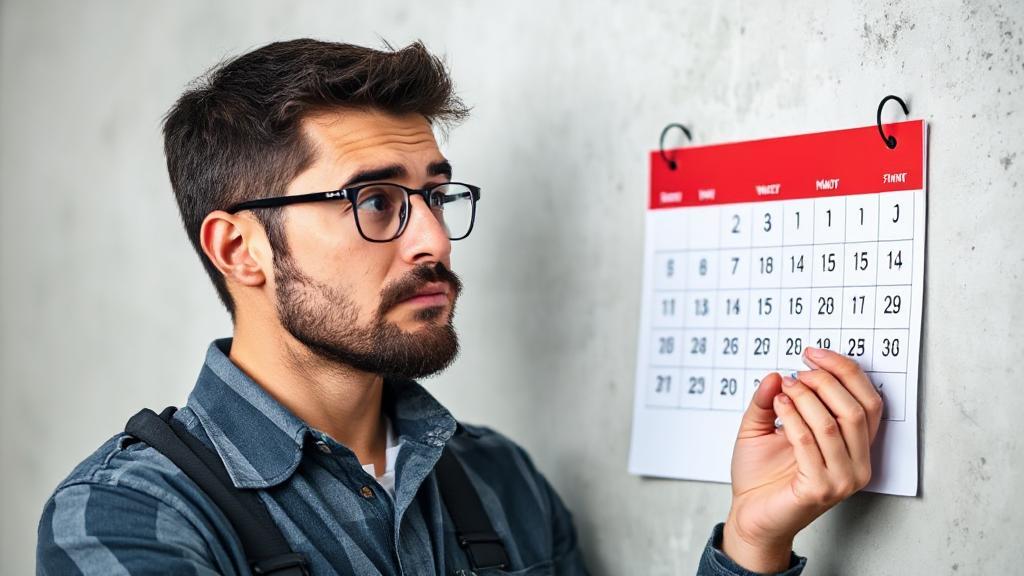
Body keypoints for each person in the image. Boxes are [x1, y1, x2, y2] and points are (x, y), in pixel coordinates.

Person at [36, 39, 882, 575]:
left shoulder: (499, 479)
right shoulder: (130, 517)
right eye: (375, 201)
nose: (433, 240)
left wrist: (752, 543)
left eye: (437, 195)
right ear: (239, 249)